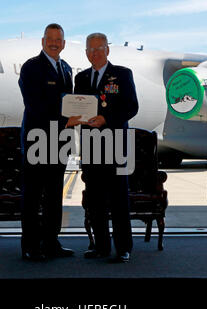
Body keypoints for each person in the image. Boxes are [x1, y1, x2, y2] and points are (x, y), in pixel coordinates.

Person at [72, 33, 139, 262]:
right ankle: (100, 246)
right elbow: (76, 106)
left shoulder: (122, 74)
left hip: (116, 145)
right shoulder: (80, 78)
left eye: (99, 48)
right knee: (95, 200)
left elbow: (131, 107)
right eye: (90, 49)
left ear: (107, 50)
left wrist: (105, 119)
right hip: (91, 147)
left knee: (119, 199)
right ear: (86, 53)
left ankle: (123, 248)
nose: (94, 53)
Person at [18, 23, 78, 261]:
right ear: (43, 42)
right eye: (50, 39)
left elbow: (70, 101)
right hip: (37, 141)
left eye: (58, 39)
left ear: (63, 44)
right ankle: (31, 246)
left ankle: (52, 243)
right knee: (33, 196)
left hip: (60, 141)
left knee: (54, 195)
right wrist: (67, 118)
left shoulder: (66, 68)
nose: (54, 43)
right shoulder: (31, 68)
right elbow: (34, 105)